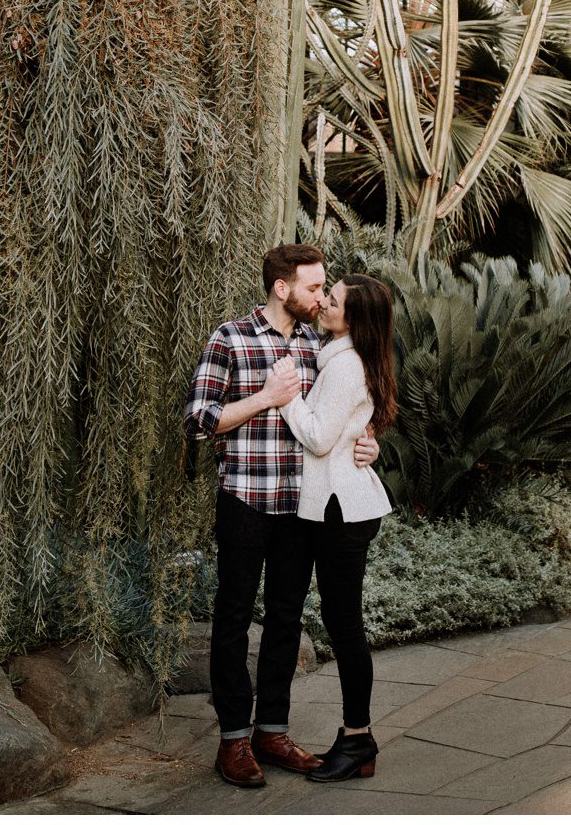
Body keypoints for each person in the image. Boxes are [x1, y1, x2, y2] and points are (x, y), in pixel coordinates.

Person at [182, 244, 380, 789]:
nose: (321, 297)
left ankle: (272, 731)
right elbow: (198, 421)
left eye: (324, 290)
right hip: (245, 499)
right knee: (233, 618)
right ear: (281, 288)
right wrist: (266, 397)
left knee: (286, 620)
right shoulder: (231, 338)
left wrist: (369, 444)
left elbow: (348, 410)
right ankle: (233, 742)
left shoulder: (325, 344)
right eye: (314, 288)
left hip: (302, 507)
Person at [262, 272, 396, 783]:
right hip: (331, 508)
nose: (322, 304)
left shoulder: (345, 368)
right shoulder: (333, 354)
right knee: (341, 624)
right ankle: (356, 740)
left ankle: (359, 739)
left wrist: (285, 394)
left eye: (333, 301)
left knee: (345, 627)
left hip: (342, 513)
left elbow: (318, 439)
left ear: (353, 318)